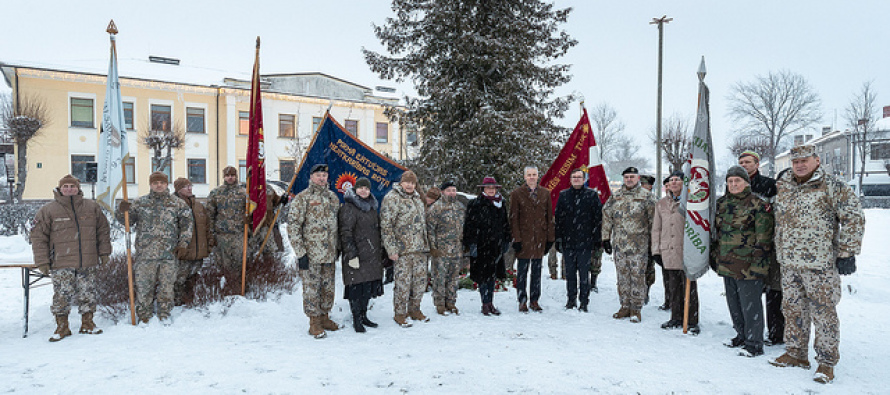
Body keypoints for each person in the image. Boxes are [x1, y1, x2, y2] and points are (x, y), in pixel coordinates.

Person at [768, 144, 865, 384]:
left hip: (819, 264)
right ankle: (796, 354)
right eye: (795, 161)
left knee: (824, 313)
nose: (799, 164)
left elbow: (853, 217)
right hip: (789, 263)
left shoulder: (832, 186)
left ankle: (826, 362)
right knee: (792, 310)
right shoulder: (784, 186)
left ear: (816, 160)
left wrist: (847, 252)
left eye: (805, 160)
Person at [31, 174, 112, 341]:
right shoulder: (48, 210)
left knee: (88, 293)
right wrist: (43, 261)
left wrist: (104, 252)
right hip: (61, 261)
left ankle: (88, 324)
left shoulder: (91, 207)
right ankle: (62, 327)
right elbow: (38, 237)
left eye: (72, 187)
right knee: (62, 295)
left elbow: (103, 230)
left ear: (78, 188)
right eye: (65, 187)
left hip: (87, 261)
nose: (69, 190)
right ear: (59, 189)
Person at [117, 171, 193, 325]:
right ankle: (144, 315)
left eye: (162, 182)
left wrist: (183, 244)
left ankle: (164, 314)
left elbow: (187, 225)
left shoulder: (177, 203)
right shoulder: (140, 202)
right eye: (155, 183)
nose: (159, 185)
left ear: (167, 184)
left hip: (169, 253)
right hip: (146, 254)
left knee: (167, 287)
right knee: (144, 287)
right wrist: (122, 211)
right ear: (150, 184)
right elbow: (127, 223)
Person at [712, 166, 773, 356]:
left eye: (737, 181)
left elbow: (764, 239)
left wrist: (758, 266)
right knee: (734, 304)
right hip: (727, 264)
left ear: (746, 182)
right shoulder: (721, 203)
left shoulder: (758, 204)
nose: (733, 185)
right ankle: (741, 335)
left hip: (749, 265)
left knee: (750, 305)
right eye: (730, 181)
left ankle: (754, 343)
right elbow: (717, 233)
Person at [287, 164, 341, 338]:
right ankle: (314, 322)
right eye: (318, 175)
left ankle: (325, 317)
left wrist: (338, 247)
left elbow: (337, 225)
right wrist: (300, 253)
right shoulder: (303, 198)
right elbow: (293, 227)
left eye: (324, 175)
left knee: (328, 288)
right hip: (310, 254)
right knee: (312, 289)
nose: (322, 178)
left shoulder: (333, 198)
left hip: (329, 253)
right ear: (311, 177)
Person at [738, 150, 783, 346]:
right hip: (743, 246)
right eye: (741, 162)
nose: (744, 165)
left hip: (768, 244)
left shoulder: (768, 185)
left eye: (748, 162)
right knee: (750, 291)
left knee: (774, 290)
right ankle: (750, 329)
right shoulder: (734, 184)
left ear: (757, 164)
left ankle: (776, 332)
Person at [602, 166, 656, 322]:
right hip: (620, 245)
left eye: (632, 177)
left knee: (638, 278)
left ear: (638, 178)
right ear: (623, 179)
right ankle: (624, 306)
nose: (629, 179)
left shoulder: (647, 197)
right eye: (626, 177)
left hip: (639, 246)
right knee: (622, 277)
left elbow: (654, 222)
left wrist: (654, 244)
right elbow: (607, 217)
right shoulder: (616, 197)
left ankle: (636, 309)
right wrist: (606, 238)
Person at [652, 171, 700, 334]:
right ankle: (676, 316)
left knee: (689, 287)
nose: (673, 183)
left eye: (677, 180)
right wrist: (656, 250)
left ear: (684, 183)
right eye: (671, 180)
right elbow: (656, 228)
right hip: (669, 250)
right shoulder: (661, 204)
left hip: (686, 250)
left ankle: (692, 320)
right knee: (673, 286)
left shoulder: (692, 201)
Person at [381, 170, 431, 327]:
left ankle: (415, 309)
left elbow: (422, 223)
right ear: (401, 182)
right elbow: (386, 225)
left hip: (420, 249)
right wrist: (391, 249)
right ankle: (400, 313)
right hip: (402, 250)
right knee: (403, 284)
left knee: (419, 282)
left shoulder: (417, 198)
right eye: (407, 182)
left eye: (413, 183)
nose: (410, 185)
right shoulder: (392, 198)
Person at [338, 177, 385, 333]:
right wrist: (351, 255)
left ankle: (364, 316)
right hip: (357, 255)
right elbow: (346, 233)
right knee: (356, 288)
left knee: (367, 287)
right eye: (361, 188)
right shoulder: (348, 208)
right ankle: (356, 319)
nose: (364, 191)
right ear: (355, 190)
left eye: (366, 188)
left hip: (371, 255)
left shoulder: (371, 207)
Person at [554, 168, 602, 312]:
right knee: (569, 274)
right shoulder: (564, 196)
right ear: (570, 179)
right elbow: (559, 219)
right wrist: (559, 239)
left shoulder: (592, 195)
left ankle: (584, 302)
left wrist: (596, 239)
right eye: (574, 177)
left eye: (579, 177)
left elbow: (598, 219)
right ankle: (571, 300)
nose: (576, 179)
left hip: (585, 242)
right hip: (569, 242)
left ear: (584, 179)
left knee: (583, 274)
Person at [509, 166, 555, 313]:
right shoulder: (517, 194)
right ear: (524, 177)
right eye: (529, 175)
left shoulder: (545, 193)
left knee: (536, 272)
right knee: (522, 272)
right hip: (523, 239)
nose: (531, 177)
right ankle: (522, 300)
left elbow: (549, 218)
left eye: (534, 174)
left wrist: (549, 239)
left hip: (539, 239)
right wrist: (516, 238)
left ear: (538, 176)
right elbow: (513, 218)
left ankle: (534, 300)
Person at [462, 176, 510, 316]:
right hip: (481, 246)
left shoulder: (501, 203)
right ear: (483, 189)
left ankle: (491, 303)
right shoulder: (475, 204)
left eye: (493, 188)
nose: (490, 190)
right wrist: (471, 244)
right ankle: (485, 303)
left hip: (496, 246)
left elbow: (505, 224)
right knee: (483, 276)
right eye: (488, 188)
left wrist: (506, 240)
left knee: (492, 276)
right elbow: (469, 226)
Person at [426, 180, 466, 315]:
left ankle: (451, 302)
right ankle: (439, 304)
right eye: (449, 190)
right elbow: (430, 229)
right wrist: (433, 247)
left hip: (456, 249)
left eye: (454, 190)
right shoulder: (436, 208)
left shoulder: (460, 207)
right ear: (443, 192)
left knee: (453, 278)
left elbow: (463, 228)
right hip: (441, 250)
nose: (452, 193)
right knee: (440, 278)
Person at [172, 177, 211, 306]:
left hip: (198, 251)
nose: (189, 189)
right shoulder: (172, 205)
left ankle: (190, 302)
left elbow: (207, 226)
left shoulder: (199, 206)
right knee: (179, 280)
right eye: (185, 187)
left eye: (190, 186)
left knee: (193, 278)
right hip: (182, 252)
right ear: (178, 190)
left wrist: (209, 243)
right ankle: (177, 304)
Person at [206, 166, 247, 276]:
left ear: (236, 176)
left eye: (232, 175)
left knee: (239, 264)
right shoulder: (216, 193)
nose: (230, 178)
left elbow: (250, 212)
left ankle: (239, 288)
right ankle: (226, 288)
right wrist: (211, 233)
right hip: (222, 235)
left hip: (239, 234)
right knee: (223, 265)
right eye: (227, 175)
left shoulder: (243, 193)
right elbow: (209, 214)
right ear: (224, 177)